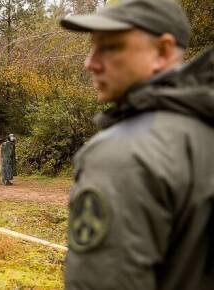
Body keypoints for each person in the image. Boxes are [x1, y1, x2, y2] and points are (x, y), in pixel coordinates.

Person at [60, 0, 214, 289]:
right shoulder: (203, 129)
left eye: (110, 46)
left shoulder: (122, 155)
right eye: (92, 47)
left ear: (163, 51)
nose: (90, 63)